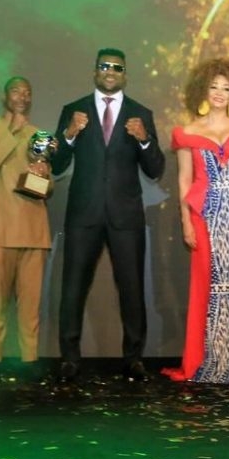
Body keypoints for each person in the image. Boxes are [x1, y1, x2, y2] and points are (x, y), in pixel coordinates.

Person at [52, 48, 165, 381]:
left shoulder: (140, 113)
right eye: (105, 66)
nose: (111, 71)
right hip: (83, 213)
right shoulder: (73, 110)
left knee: (131, 289)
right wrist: (69, 134)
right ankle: (69, 358)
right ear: (95, 71)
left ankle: (133, 358)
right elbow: (57, 165)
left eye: (117, 67)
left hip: (125, 215)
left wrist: (144, 140)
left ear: (125, 74)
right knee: (73, 287)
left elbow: (156, 168)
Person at [163, 58, 229, 384]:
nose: (220, 93)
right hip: (205, 214)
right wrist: (185, 221)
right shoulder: (187, 132)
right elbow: (184, 181)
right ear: (203, 90)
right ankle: (207, 362)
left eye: (226, 88)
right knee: (207, 285)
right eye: (214, 87)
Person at [0, 77, 52, 370]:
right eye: (16, 90)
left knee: (30, 308)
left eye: (27, 91)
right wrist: (13, 130)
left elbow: (49, 188)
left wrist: (43, 173)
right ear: (4, 95)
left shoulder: (38, 135)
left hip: (34, 231)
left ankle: (29, 364)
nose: (23, 95)